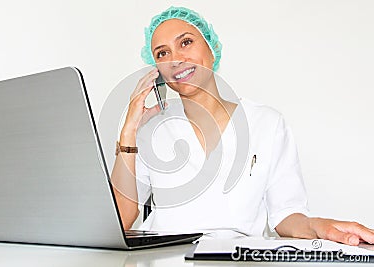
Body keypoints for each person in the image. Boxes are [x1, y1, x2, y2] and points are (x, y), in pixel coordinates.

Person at [110, 6, 374, 245]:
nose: (175, 58)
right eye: (163, 53)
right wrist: (129, 131)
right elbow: (120, 220)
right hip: (162, 258)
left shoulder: (266, 124)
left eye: (186, 43)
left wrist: (319, 227)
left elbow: (285, 216)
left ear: (211, 49)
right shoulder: (151, 130)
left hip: (237, 258)